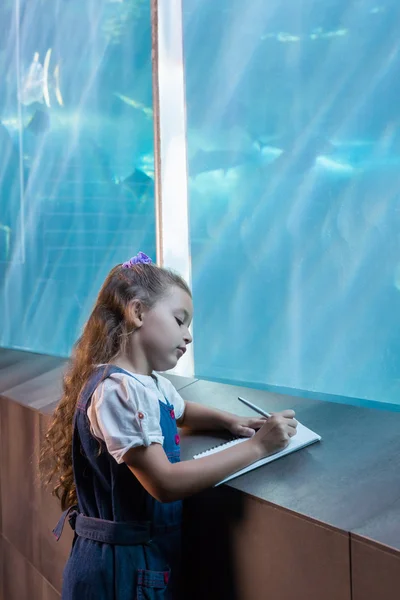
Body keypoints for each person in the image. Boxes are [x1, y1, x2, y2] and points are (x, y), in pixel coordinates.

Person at [40, 251, 297, 599]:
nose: (188, 336)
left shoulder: (149, 383)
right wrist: (257, 446)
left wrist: (232, 421)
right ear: (138, 312)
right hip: (119, 572)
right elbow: (164, 482)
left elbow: (181, 410)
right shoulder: (118, 391)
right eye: (180, 320)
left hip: (142, 562)